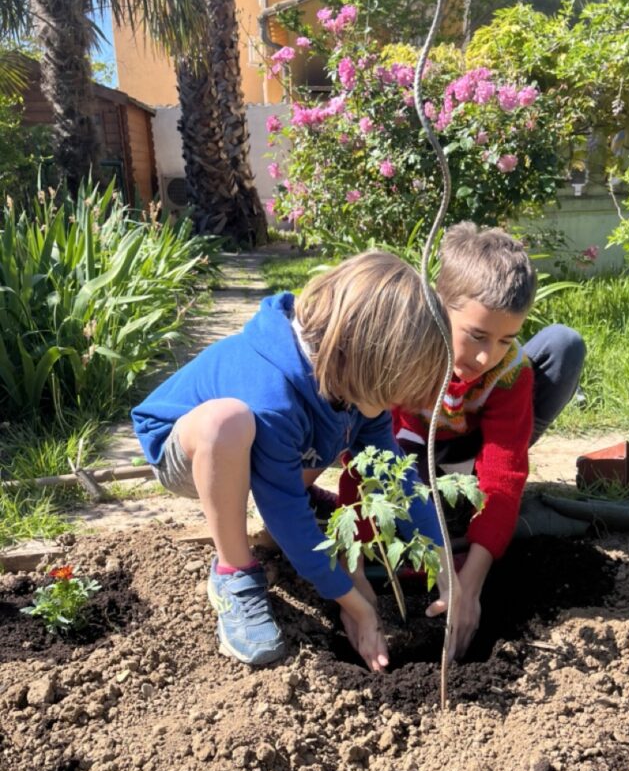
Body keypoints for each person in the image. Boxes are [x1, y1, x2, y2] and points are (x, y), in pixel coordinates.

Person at [131, 251, 459, 673]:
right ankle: (234, 572)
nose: (395, 405)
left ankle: (298, 491)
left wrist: (443, 563)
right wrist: (354, 602)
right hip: (189, 449)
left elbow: (393, 475)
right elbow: (284, 512)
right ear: (367, 359)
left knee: (319, 436)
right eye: (393, 392)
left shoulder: (346, 373)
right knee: (227, 422)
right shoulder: (271, 393)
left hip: (269, 442)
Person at [390, 222, 586, 659]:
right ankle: (446, 503)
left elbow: (504, 472)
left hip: (477, 443)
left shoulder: (508, 371)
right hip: (412, 446)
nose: (486, 356)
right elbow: (378, 450)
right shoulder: (403, 349)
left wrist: (471, 582)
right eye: (476, 335)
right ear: (438, 305)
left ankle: (467, 500)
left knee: (562, 345)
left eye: (505, 339)